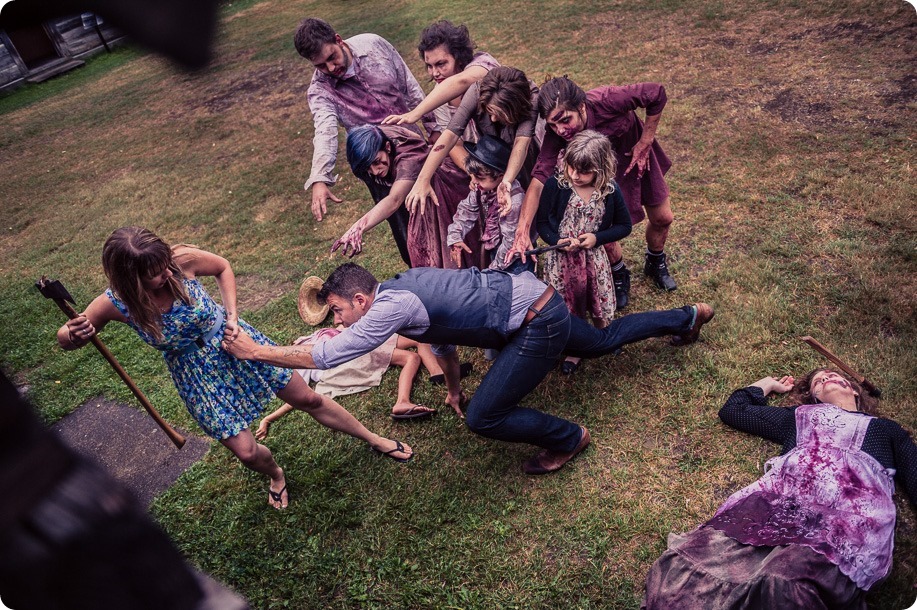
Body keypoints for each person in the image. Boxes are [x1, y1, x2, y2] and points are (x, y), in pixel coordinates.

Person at [224, 262, 714, 475]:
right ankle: (688, 317)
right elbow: (446, 340)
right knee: (602, 342)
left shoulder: (387, 309)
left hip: (536, 321)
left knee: (485, 417)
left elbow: (330, 356)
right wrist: (453, 389)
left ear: (358, 299)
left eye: (337, 311)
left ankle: (568, 438)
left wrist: (257, 351)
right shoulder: (404, 289)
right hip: (540, 301)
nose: (338, 320)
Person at [58, 227, 413, 510]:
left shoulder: (181, 261)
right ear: (129, 277)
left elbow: (223, 266)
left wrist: (231, 316)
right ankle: (276, 475)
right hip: (196, 374)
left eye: (165, 264)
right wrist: (74, 332)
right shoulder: (115, 303)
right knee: (245, 451)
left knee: (309, 398)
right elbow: (65, 338)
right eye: (154, 273)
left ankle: (374, 439)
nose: (166, 274)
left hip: (236, 343)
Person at [643, 368, 917, 609]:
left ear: (856, 391)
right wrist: (766, 385)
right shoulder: (800, 417)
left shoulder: (886, 430)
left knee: (786, 584)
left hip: (845, 515)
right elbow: (734, 411)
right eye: (818, 381)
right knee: (684, 568)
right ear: (814, 398)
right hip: (776, 504)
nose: (827, 377)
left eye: (834, 375)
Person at [510, 77, 678, 307]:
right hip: (595, 175)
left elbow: (656, 93)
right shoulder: (557, 134)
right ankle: (618, 273)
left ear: (581, 106)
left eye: (565, 120)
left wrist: (646, 140)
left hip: (633, 157)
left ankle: (655, 259)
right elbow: (539, 179)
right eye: (552, 125)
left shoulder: (607, 100)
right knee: (603, 230)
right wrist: (522, 229)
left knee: (662, 217)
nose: (560, 130)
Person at [295, 19, 438, 264]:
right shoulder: (320, 90)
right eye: (321, 65)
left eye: (332, 57)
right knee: (406, 228)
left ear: (339, 40)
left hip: (413, 147)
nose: (330, 68)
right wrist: (320, 177)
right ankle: (421, 273)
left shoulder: (374, 46)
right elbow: (325, 131)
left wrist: (432, 127)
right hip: (377, 162)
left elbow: (409, 87)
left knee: (436, 207)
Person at [537, 130, 633, 375]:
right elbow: (542, 224)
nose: (575, 176)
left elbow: (624, 226)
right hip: (561, 261)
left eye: (584, 171)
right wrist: (557, 240)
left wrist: (597, 238)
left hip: (593, 260)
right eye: (571, 168)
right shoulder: (556, 185)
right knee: (569, 304)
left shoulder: (609, 190)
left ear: (600, 169)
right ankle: (577, 346)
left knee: (595, 297)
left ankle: (604, 334)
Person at [332, 124, 476, 269]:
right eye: (368, 167)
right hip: (419, 192)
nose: (375, 171)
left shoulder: (409, 161)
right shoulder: (377, 136)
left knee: (446, 247)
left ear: (388, 147)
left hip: (444, 189)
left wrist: (359, 227)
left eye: (376, 162)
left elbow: (394, 199)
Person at [404, 66, 543, 214]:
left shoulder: (531, 97)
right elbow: (450, 134)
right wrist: (423, 179)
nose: (493, 119)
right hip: (491, 154)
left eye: (499, 114)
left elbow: (521, 142)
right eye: (489, 111)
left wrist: (506, 181)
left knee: (525, 201)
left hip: (523, 156)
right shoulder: (477, 91)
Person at [255, 328, 436, 440]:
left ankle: (439, 375)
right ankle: (402, 402)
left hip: (353, 341)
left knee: (418, 339)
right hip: (349, 357)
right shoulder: (298, 359)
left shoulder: (310, 337)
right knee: (411, 357)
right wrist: (268, 419)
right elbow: (299, 396)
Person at [383, 20, 501, 169]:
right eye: (429, 66)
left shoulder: (482, 63)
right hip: (487, 163)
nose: (434, 73)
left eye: (441, 64)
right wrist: (475, 173)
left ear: (458, 58)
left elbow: (461, 81)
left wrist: (415, 113)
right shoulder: (439, 98)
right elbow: (454, 144)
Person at [447, 134, 534, 272]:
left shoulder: (515, 201)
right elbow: (466, 210)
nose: (474, 181)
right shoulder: (480, 189)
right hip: (496, 253)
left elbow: (511, 240)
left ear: (500, 176)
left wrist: (494, 269)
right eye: (473, 176)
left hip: (516, 259)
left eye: (480, 178)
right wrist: (455, 236)